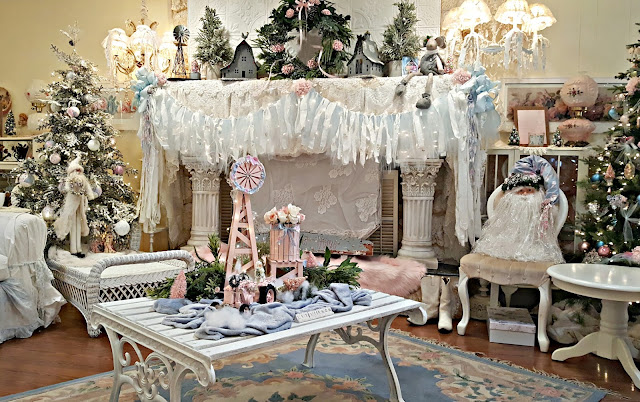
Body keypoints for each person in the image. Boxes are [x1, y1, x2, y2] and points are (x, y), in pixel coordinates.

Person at [472, 155, 564, 263]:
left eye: (529, 191)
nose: (525, 195)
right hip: (508, 242)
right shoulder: (508, 204)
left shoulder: (540, 206)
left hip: (535, 243)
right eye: (520, 191)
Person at [54, 155, 96, 258]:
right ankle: (74, 249)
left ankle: (79, 248)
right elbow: (67, 188)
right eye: (76, 170)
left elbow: (87, 188)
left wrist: (89, 195)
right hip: (72, 203)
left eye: (79, 170)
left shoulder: (82, 179)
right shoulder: (70, 180)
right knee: (72, 224)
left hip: (80, 204)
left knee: (79, 224)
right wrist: (72, 189)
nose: (78, 172)